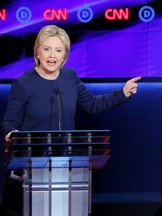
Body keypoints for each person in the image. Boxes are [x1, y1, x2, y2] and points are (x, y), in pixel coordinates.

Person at [0, 24, 141, 215]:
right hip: (32, 170)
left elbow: (92, 104)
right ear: (37, 52)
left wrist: (122, 94)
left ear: (64, 56)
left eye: (58, 50)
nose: (52, 55)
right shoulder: (23, 83)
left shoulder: (69, 77)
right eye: (47, 49)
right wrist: (14, 135)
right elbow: (9, 122)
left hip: (66, 167)